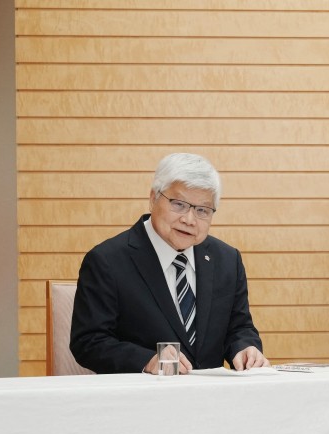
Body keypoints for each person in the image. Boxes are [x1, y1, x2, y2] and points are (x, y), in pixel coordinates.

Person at [71, 153, 269, 374]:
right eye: (179, 204)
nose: (189, 219)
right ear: (153, 197)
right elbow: (88, 341)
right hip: (142, 401)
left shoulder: (227, 260)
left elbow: (239, 327)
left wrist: (245, 348)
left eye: (202, 210)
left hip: (212, 400)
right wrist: (146, 360)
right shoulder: (107, 261)